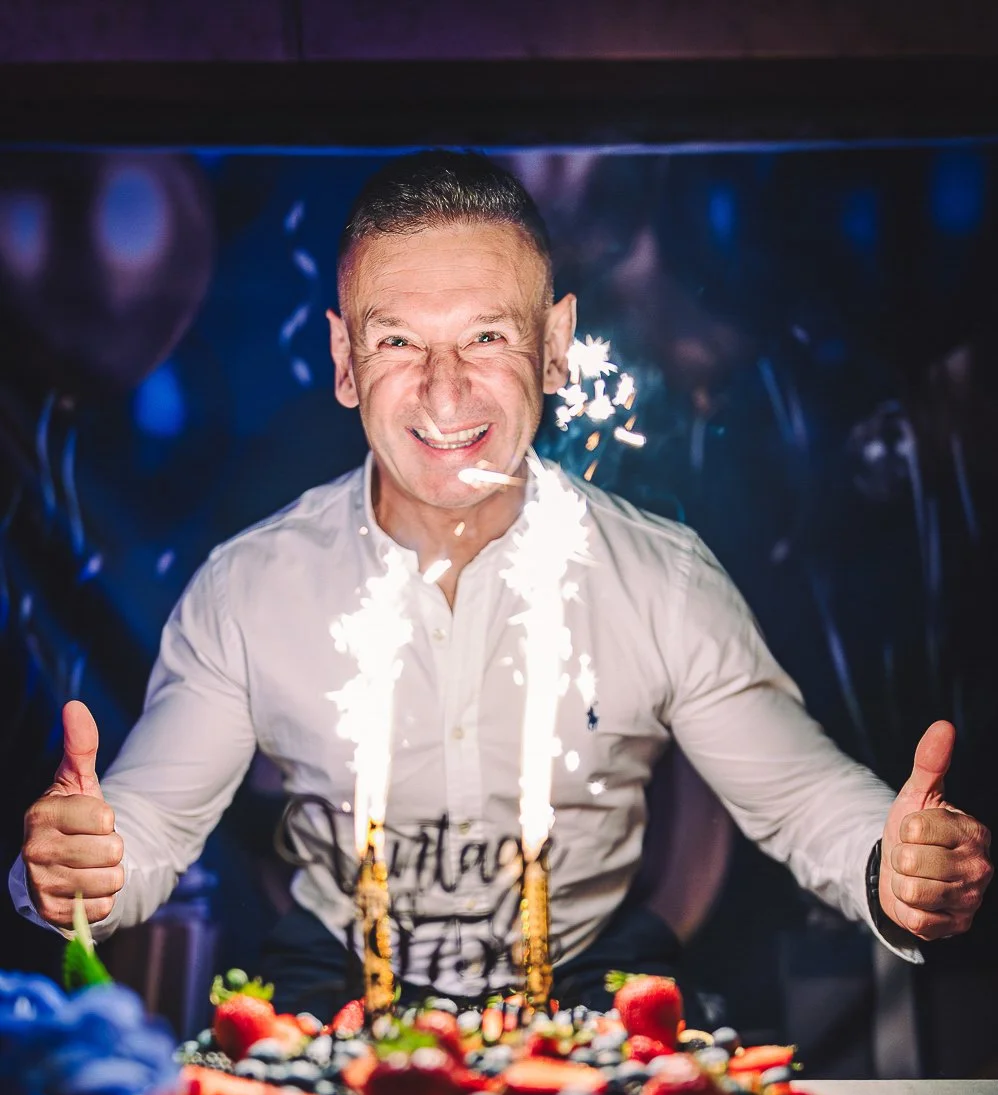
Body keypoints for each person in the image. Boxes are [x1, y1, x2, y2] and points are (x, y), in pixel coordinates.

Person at [10, 152, 993, 1024]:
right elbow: (148, 824)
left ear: (555, 345)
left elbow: (800, 795)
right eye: (398, 342)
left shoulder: (661, 577)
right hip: (330, 1005)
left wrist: (891, 861)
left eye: (485, 338)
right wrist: (80, 865)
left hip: (593, 1000)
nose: (444, 392)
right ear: (345, 361)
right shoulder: (250, 588)